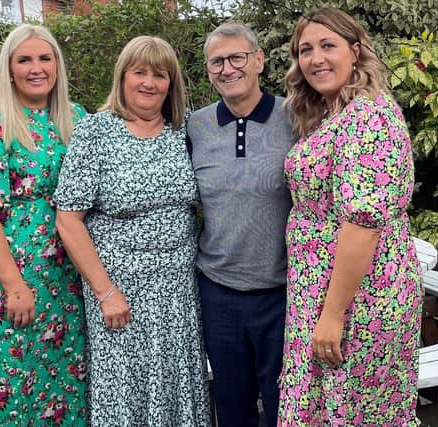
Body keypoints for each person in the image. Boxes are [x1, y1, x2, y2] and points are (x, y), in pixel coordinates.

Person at [53, 35, 210, 426]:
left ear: (171, 83)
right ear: (122, 77)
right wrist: (106, 292)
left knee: (178, 385)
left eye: (160, 75)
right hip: (119, 294)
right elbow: (68, 218)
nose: (149, 83)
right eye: (139, 72)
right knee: (126, 390)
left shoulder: (185, 130)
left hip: (178, 292)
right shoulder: (96, 132)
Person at [277, 7, 423, 425]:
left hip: (358, 298)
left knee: (354, 410)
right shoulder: (332, 114)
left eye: (328, 46)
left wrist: (332, 315)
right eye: (305, 50)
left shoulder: (369, 116)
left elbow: (363, 223)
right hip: (323, 291)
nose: (315, 59)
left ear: (355, 52)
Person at [0, 24, 88, 426]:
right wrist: (13, 285)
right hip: (9, 274)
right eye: (24, 59)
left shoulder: (75, 118)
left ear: (58, 66)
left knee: (63, 379)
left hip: (65, 277)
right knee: (9, 384)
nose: (36, 68)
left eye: (45, 58)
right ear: (8, 69)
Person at [187, 23, 294, 427]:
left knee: (284, 405)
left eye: (237, 57)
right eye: (217, 61)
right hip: (218, 292)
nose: (228, 68)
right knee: (231, 406)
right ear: (208, 68)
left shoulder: (296, 116)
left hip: (283, 293)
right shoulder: (195, 127)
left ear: (259, 60)